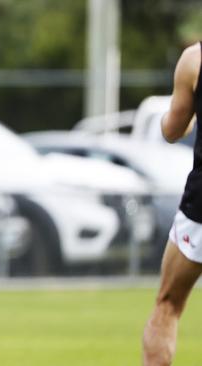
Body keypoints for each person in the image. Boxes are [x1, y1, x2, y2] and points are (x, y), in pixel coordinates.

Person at [142, 42, 201, 366]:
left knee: (168, 304)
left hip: (201, 208)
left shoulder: (195, 60)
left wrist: (181, 115)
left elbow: (173, 130)